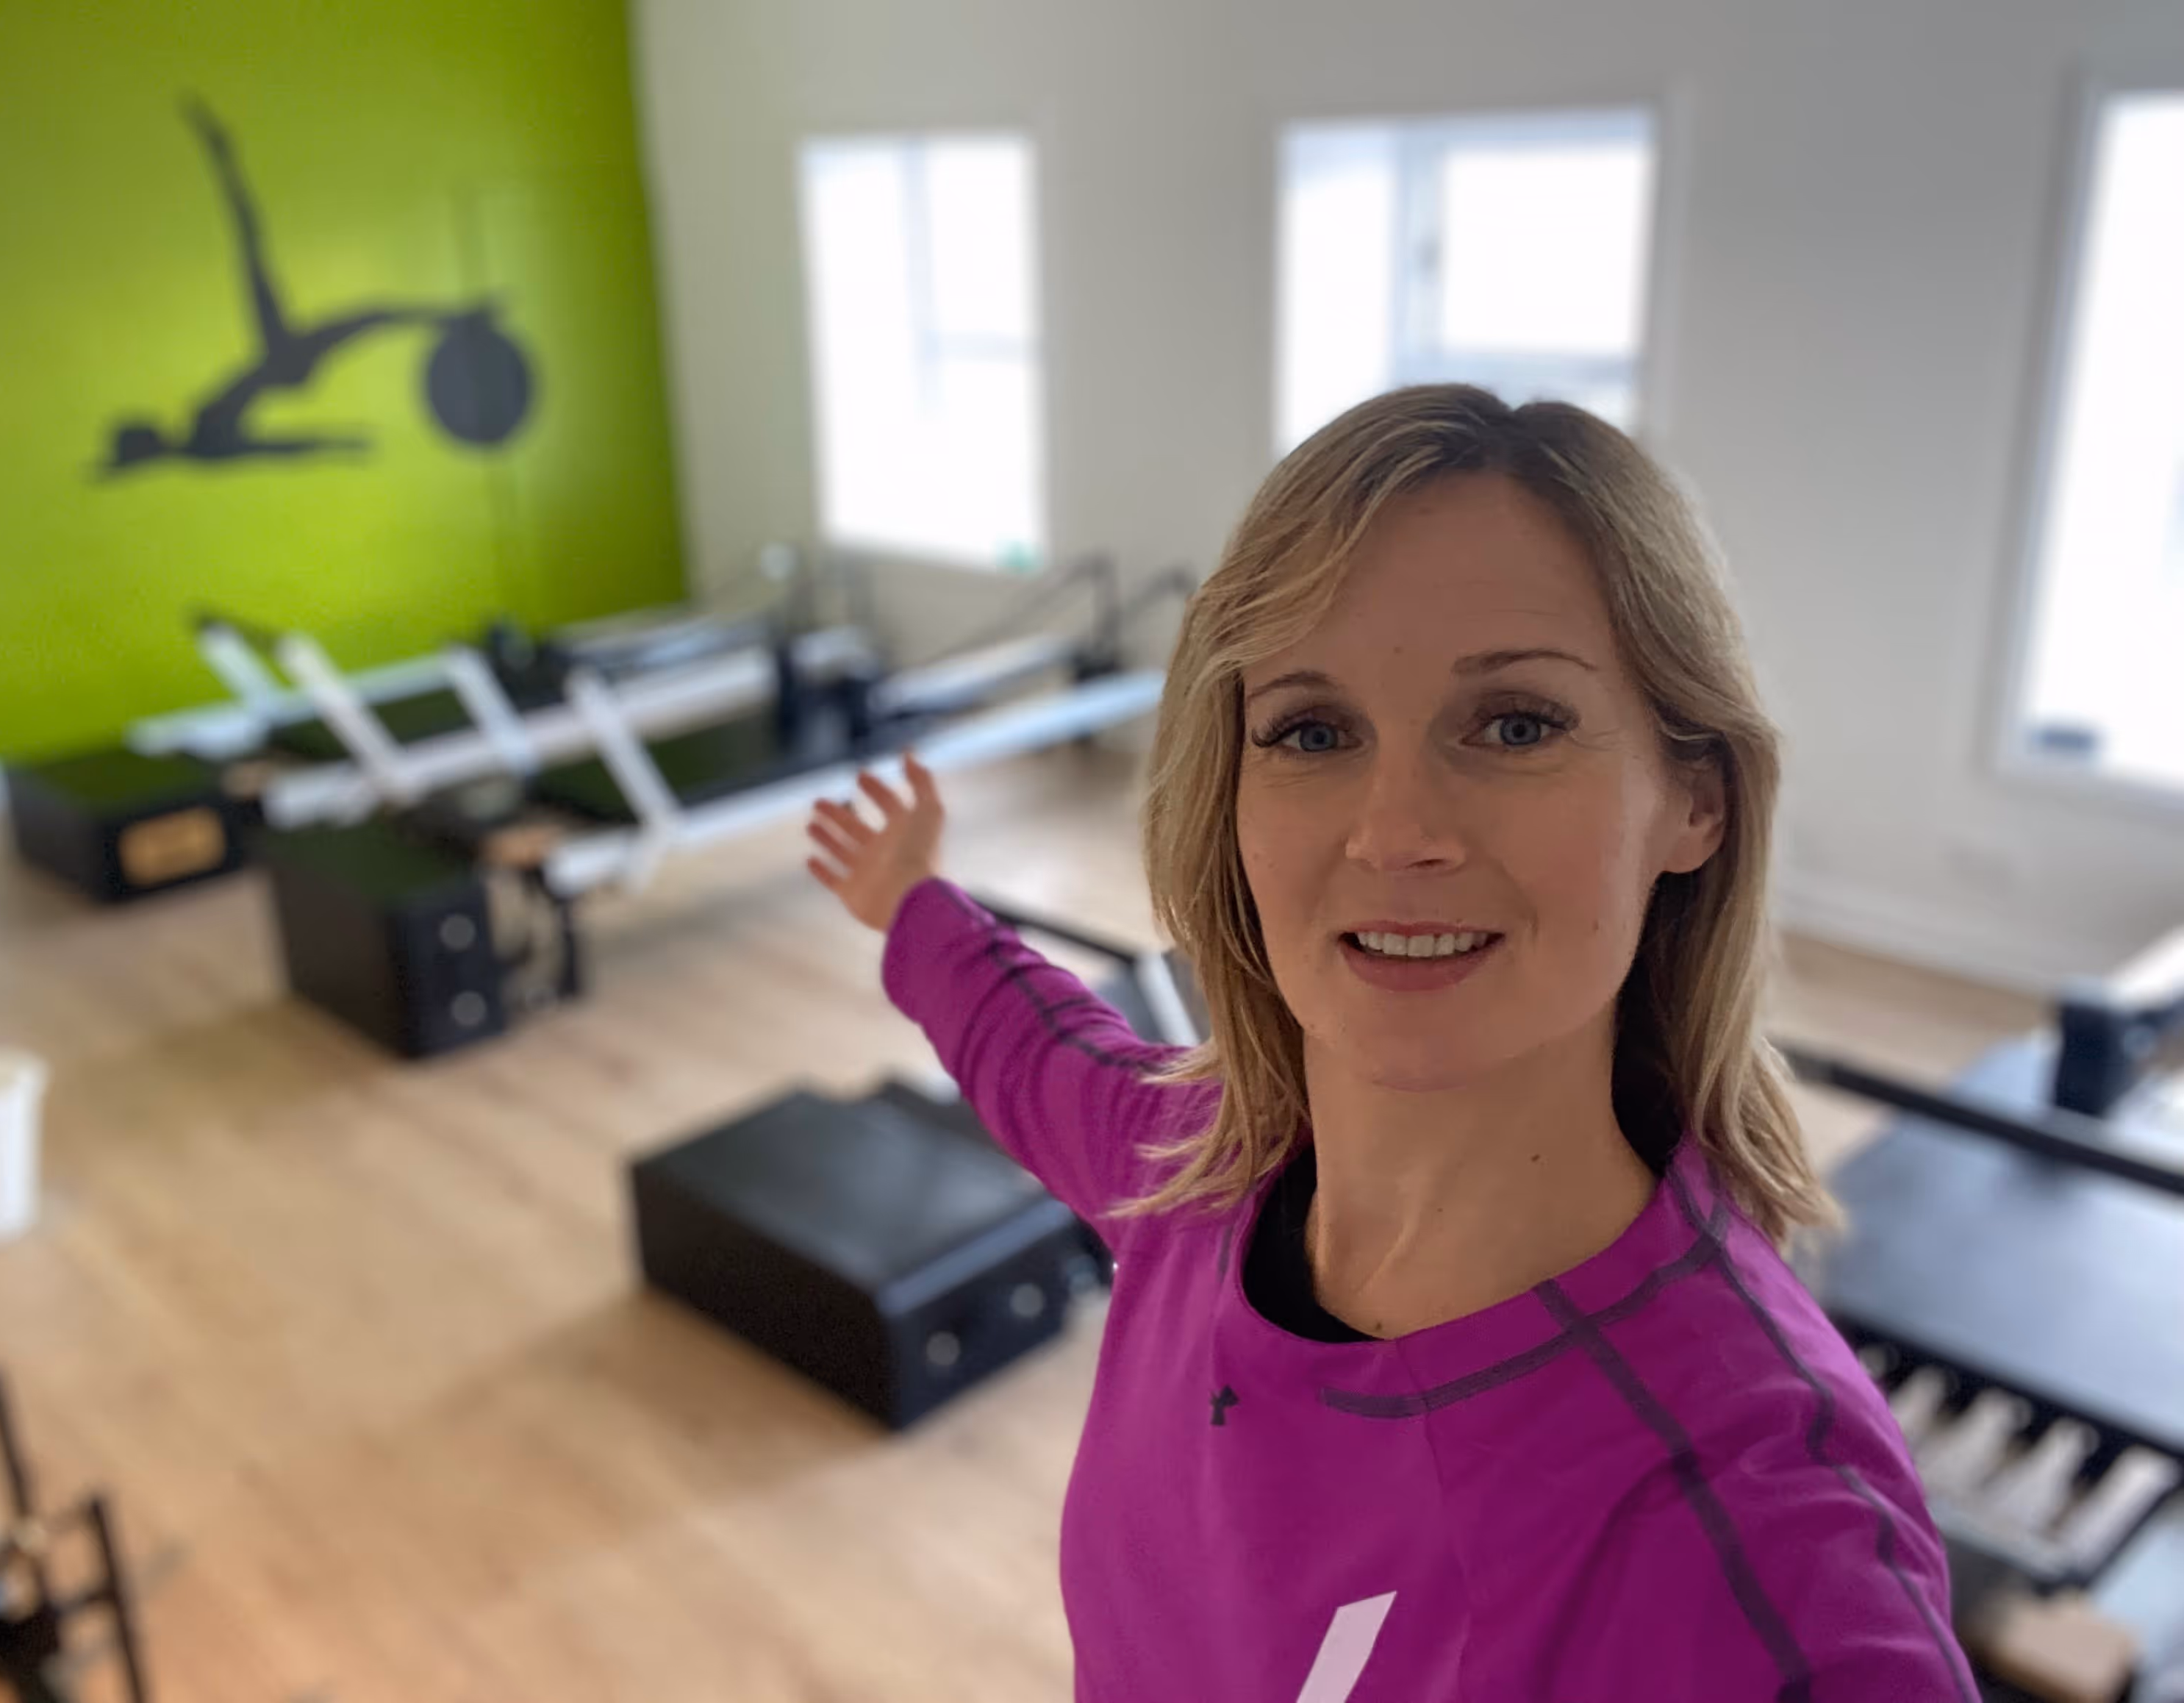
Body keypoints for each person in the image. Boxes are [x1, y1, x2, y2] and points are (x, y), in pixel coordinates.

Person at [806, 385, 1970, 1702]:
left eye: (1517, 724)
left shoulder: (1753, 1520)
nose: (1395, 832)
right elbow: (1032, 1047)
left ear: (1693, 797)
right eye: (1312, 731)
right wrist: (911, 899)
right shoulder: (1194, 1184)